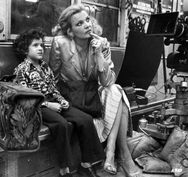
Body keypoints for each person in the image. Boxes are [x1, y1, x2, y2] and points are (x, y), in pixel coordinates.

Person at [49, 4, 142, 177]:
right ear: (70, 31)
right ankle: (119, 156)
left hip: (92, 96)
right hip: (70, 95)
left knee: (116, 90)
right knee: (119, 101)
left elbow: (107, 81)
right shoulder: (60, 43)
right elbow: (52, 77)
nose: (87, 25)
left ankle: (111, 153)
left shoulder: (102, 42)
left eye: (88, 20)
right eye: (79, 24)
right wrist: (55, 101)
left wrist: (98, 53)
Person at [13, 29, 105, 177]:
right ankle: (65, 168)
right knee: (62, 125)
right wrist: (48, 105)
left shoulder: (44, 67)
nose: (40, 48)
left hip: (53, 102)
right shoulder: (21, 70)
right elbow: (26, 98)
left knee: (85, 119)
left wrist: (62, 101)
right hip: (38, 107)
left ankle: (87, 162)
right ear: (25, 50)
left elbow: (53, 89)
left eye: (42, 45)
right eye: (35, 45)